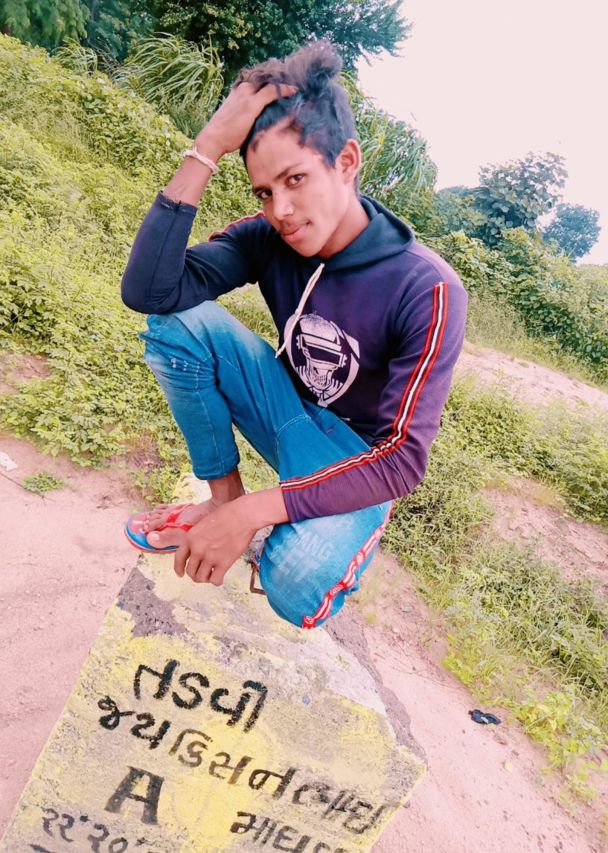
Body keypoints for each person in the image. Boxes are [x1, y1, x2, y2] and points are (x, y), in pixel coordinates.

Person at [121, 41, 467, 629]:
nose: (280, 209)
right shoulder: (269, 237)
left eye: (296, 179)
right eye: (264, 191)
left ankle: (276, 525)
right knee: (178, 325)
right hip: (286, 409)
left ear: (346, 162)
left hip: (357, 458)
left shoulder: (426, 287)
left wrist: (257, 515)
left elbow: (404, 462)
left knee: (295, 586)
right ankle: (221, 503)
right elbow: (151, 294)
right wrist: (208, 146)